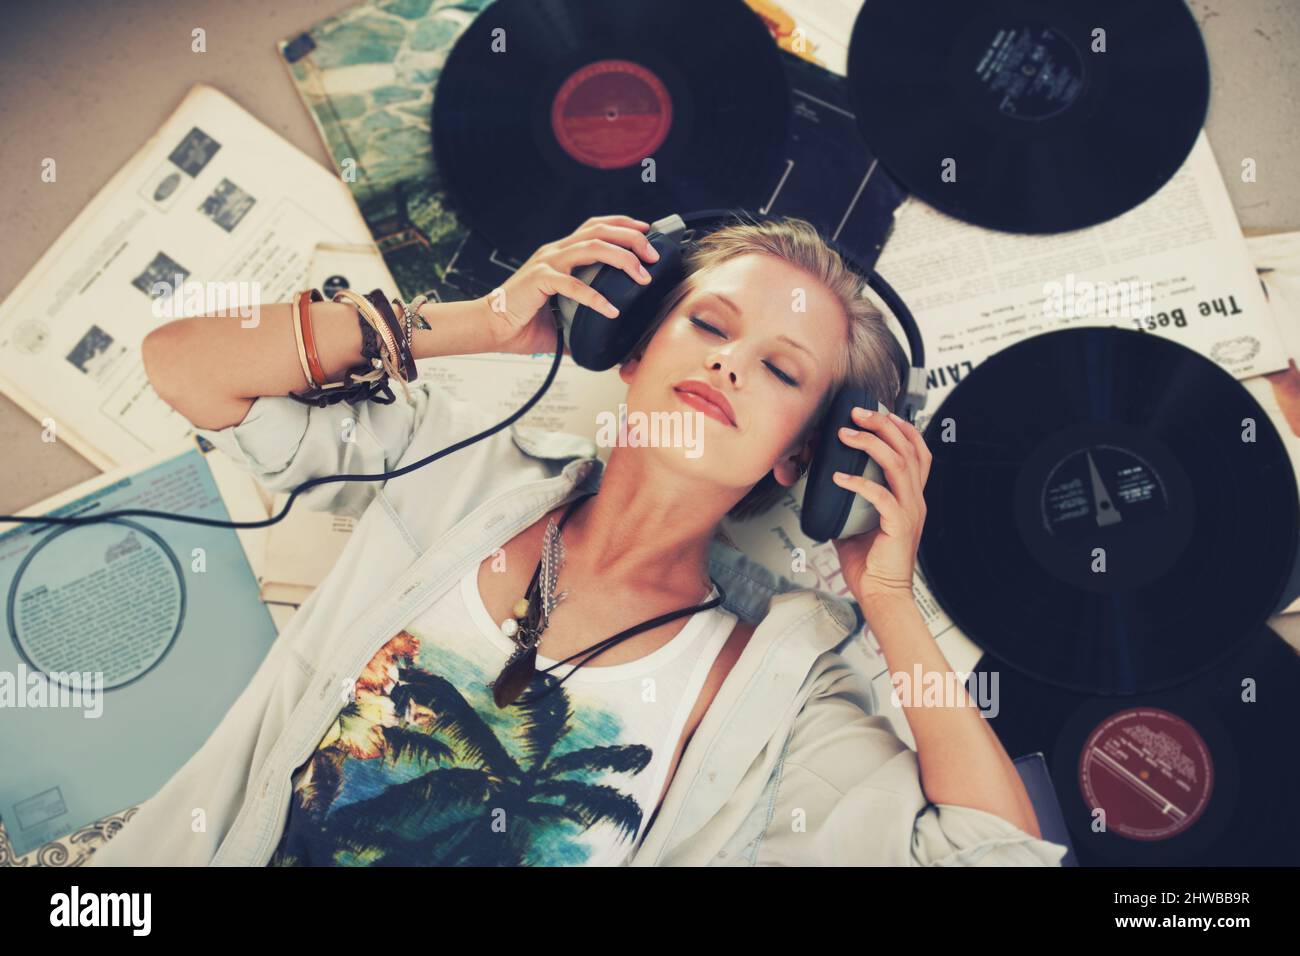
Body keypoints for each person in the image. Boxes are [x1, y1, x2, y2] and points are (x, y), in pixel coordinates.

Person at [89, 213, 1067, 866]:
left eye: (777, 369)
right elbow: (185, 363)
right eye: (709, 324)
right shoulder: (462, 468)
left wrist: (889, 603)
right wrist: (474, 321)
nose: (727, 362)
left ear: (800, 457)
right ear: (632, 347)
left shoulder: (779, 675)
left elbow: (996, 852)